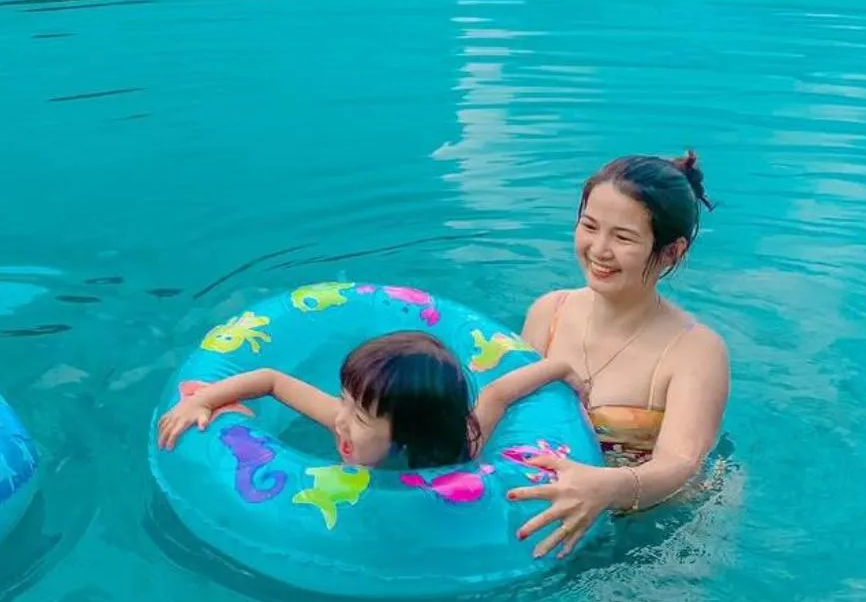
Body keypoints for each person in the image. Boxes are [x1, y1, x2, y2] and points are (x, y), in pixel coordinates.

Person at [495, 152, 730, 561]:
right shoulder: (549, 313)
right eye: (589, 226)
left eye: (623, 238)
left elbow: (681, 464)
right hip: (558, 510)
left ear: (671, 252)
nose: (599, 249)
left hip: (659, 531)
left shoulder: (696, 351)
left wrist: (605, 487)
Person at [156, 329, 502, 470]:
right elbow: (271, 381)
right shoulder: (343, 419)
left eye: (360, 417)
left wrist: (554, 369)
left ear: (409, 439)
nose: (340, 419)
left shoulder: (461, 451)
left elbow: (497, 396)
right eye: (344, 400)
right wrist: (204, 399)